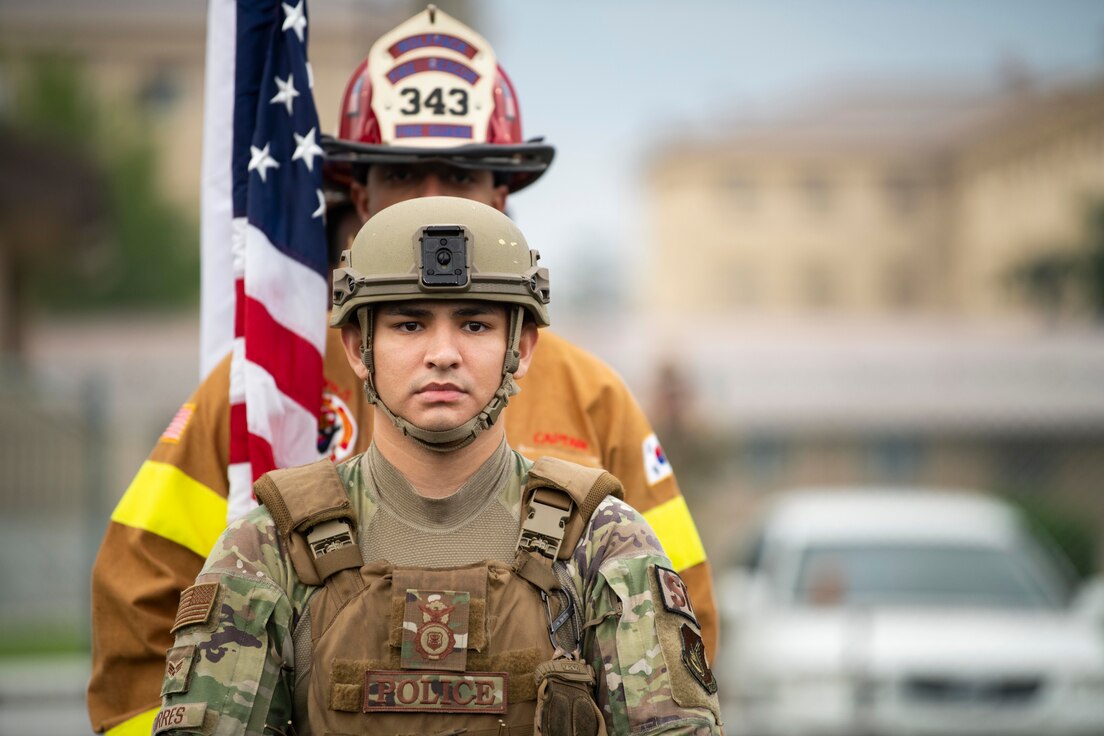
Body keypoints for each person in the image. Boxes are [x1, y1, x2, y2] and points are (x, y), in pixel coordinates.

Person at [88, 7, 717, 735]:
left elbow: (679, 631)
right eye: (401, 174)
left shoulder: (592, 397)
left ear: (501, 192)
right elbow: (139, 617)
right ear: (358, 190)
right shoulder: (264, 384)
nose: (429, 200)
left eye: (457, 172)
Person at [151, 196, 722, 735]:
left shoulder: (601, 541)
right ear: (357, 347)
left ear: (520, 350)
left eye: (475, 325)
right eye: (409, 324)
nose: (443, 352)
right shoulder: (270, 548)